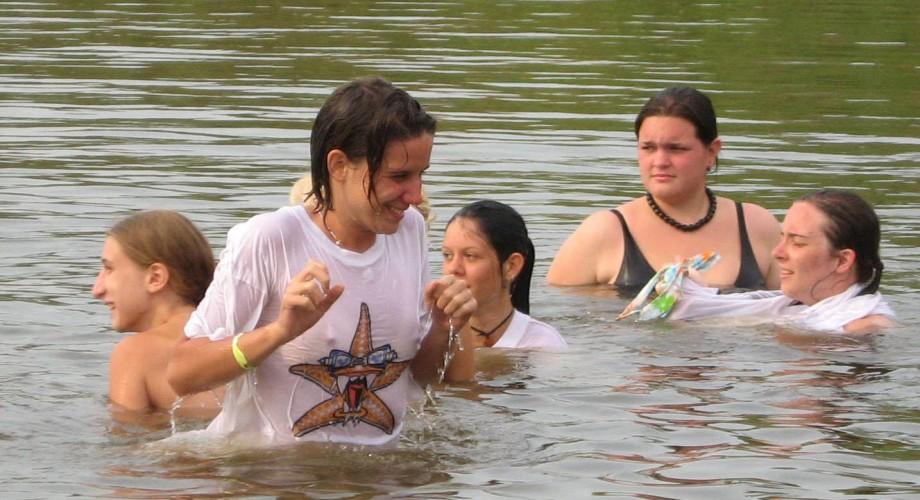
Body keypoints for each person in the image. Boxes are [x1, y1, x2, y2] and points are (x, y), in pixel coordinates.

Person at [166, 77, 476, 446]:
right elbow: (182, 373)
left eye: (421, 175)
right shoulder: (269, 238)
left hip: (381, 475)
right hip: (270, 475)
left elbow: (415, 379)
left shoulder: (409, 231)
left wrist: (443, 326)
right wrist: (279, 331)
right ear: (339, 165)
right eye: (398, 176)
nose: (415, 196)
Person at [548, 86, 781, 291]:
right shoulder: (603, 232)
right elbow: (553, 322)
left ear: (712, 152)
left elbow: (799, 312)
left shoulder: (757, 226)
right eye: (648, 148)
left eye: (676, 148)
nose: (659, 161)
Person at [665, 190, 896, 334]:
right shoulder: (795, 306)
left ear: (843, 261)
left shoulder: (863, 329)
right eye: (782, 237)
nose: (777, 253)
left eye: (798, 243)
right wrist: (692, 291)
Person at [92, 210, 220, 416]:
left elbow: (126, 443)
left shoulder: (134, 354)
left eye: (109, 269)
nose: (96, 289)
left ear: (155, 277)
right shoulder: (244, 338)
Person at [441, 200, 566, 382]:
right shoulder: (430, 334)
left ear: (511, 266)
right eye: (447, 255)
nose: (453, 269)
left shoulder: (543, 346)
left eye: (470, 256)